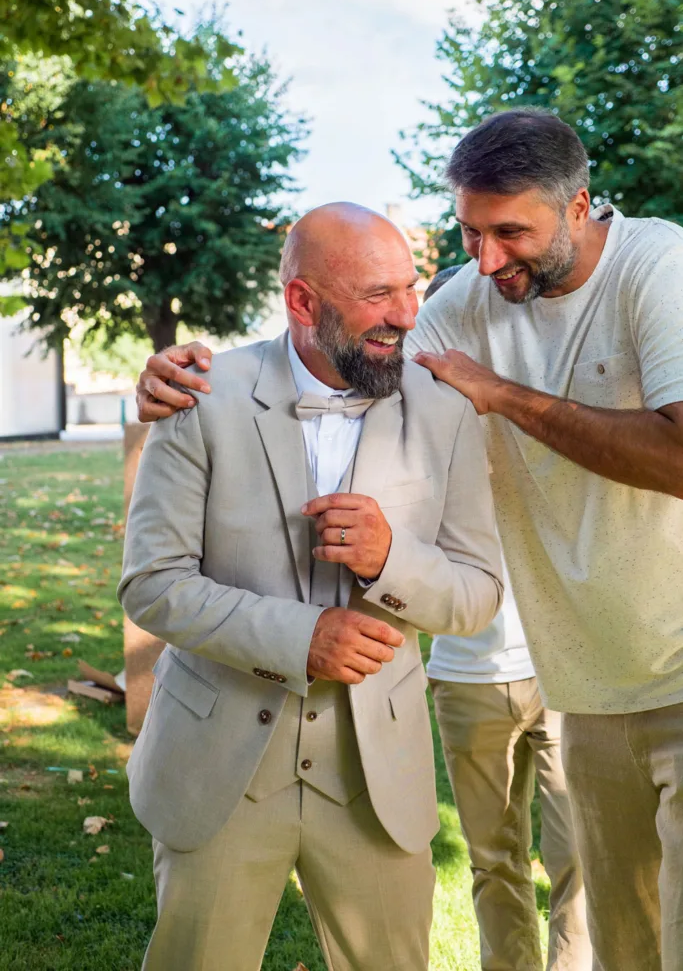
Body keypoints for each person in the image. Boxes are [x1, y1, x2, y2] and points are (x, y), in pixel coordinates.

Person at [136, 110, 683, 971]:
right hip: (590, 683)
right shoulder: (456, 305)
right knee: (629, 942)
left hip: (659, 667)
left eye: (509, 233)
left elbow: (668, 463)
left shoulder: (658, 267)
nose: (483, 262)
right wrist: (166, 377)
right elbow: (352, 356)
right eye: (469, 234)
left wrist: (490, 415)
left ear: (579, 208)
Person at [119, 202, 503, 971]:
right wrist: (301, 639)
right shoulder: (197, 394)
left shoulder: (447, 409)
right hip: (216, 767)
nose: (404, 315)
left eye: (410, 288)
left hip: (375, 781)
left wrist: (389, 560)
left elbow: (475, 594)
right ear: (302, 301)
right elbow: (152, 585)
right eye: (377, 296)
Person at [424, 267, 590, 971]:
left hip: (562, 673)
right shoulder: (419, 438)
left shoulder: (551, 410)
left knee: (580, 857)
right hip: (466, 676)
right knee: (494, 861)